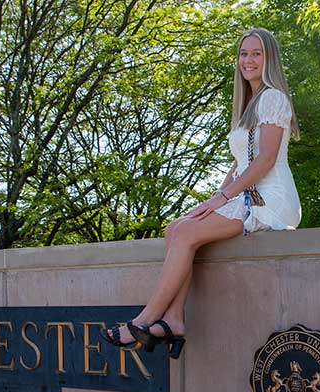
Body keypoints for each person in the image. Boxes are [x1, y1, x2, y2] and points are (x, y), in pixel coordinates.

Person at [100, 27, 302, 358]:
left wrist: (223, 199)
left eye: (256, 53)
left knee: (185, 234)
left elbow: (265, 160)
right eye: (243, 53)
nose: (248, 60)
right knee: (176, 228)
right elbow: (239, 164)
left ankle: (145, 319)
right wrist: (214, 199)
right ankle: (174, 320)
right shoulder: (250, 103)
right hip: (247, 195)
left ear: (270, 59)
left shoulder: (273, 98)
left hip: (271, 199)